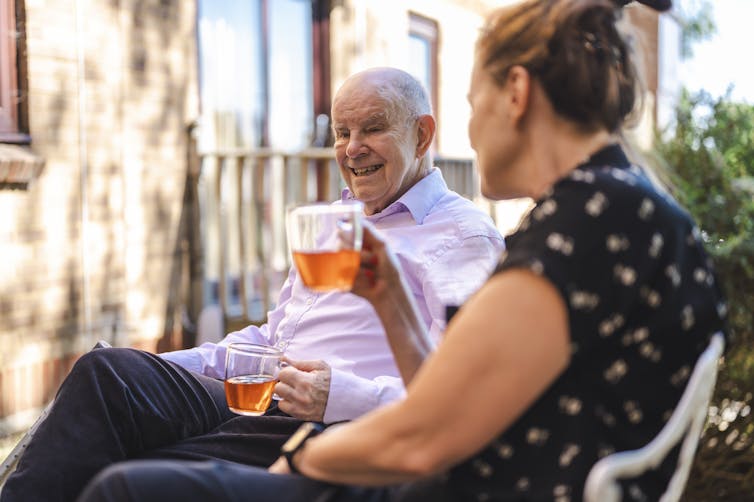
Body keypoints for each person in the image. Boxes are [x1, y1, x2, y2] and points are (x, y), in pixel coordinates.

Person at [74, 0, 729, 501]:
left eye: (472, 102)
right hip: (440, 476)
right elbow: (445, 398)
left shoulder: (588, 222)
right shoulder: (616, 208)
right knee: (118, 415)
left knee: (123, 489)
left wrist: (302, 459)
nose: (470, 127)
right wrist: (388, 294)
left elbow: (426, 436)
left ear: (517, 95)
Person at [0, 68, 505, 502]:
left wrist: (341, 395)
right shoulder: (334, 220)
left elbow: (458, 397)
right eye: (341, 132)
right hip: (263, 396)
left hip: (333, 426)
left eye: (372, 129)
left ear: (421, 135)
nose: (353, 149)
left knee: (128, 471)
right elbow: (273, 338)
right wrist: (162, 366)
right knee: (109, 372)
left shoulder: (461, 236)